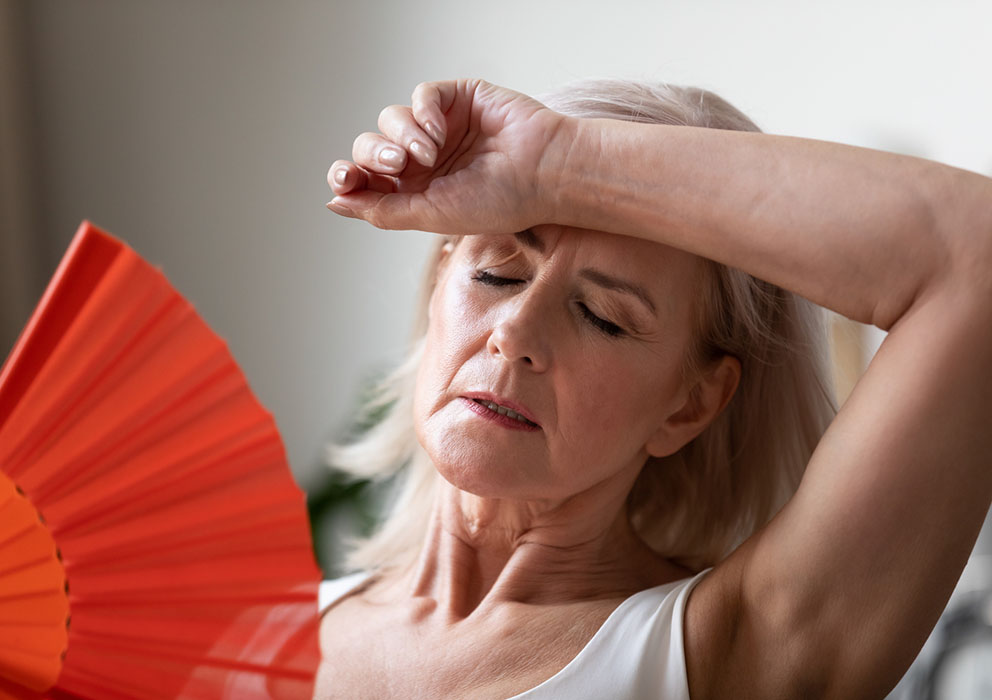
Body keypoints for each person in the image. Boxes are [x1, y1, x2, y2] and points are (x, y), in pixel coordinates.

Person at [317, 78, 992, 699]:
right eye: (497, 274)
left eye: (602, 318)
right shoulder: (252, 627)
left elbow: (975, 253)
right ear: (440, 284)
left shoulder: (728, 655)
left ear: (690, 405)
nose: (516, 332)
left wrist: (556, 162)